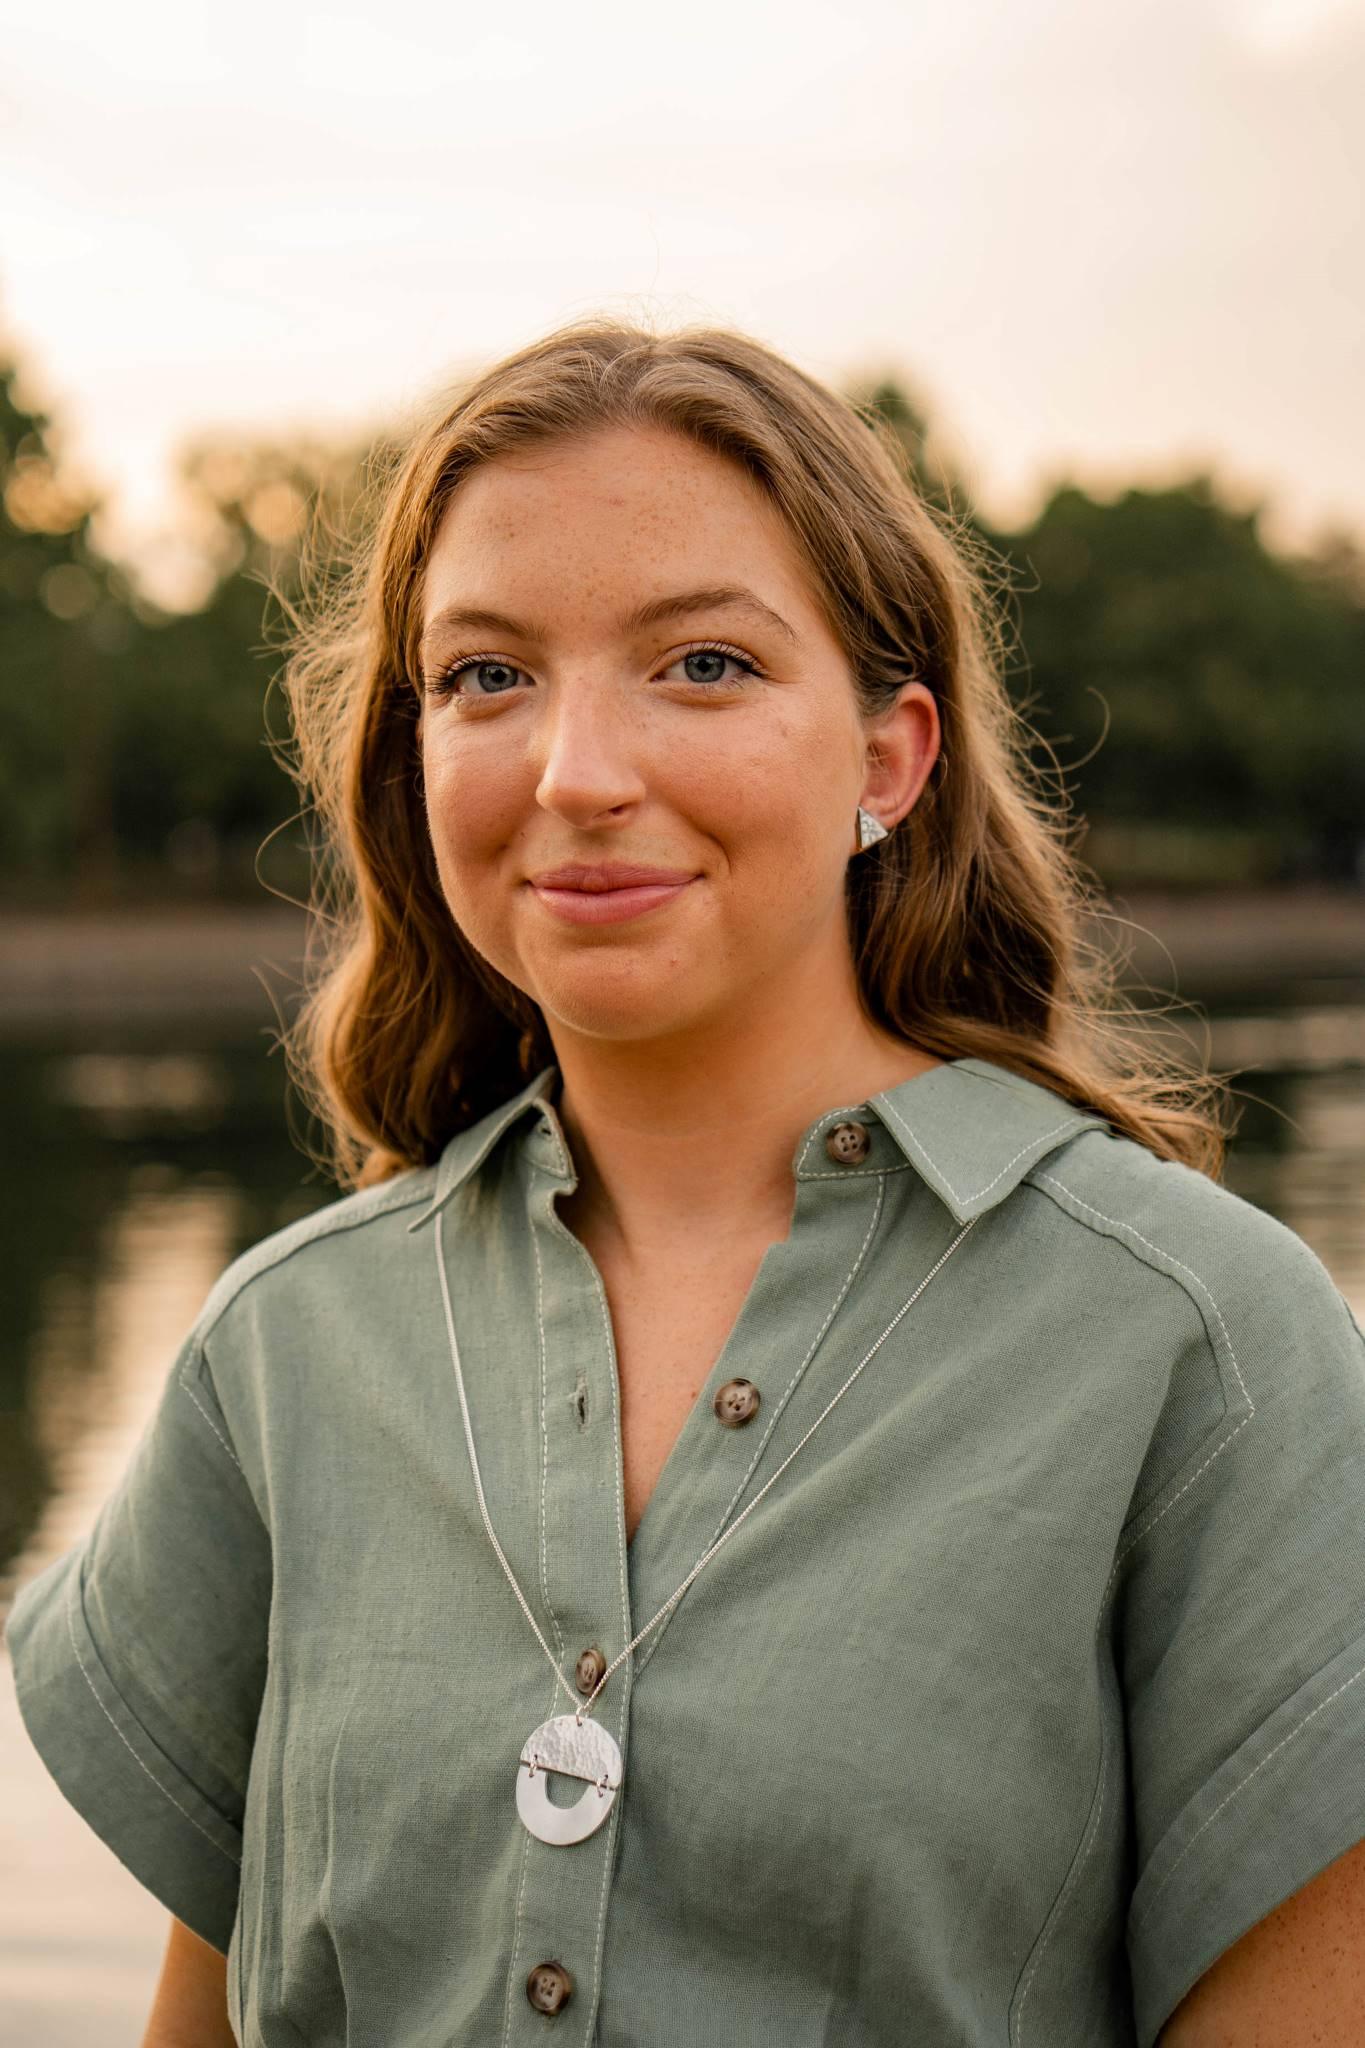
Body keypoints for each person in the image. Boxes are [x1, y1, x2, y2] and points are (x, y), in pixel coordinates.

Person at [7, 316, 1365, 2048]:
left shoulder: (1203, 1344)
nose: (578, 773)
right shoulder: (282, 1351)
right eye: (488, 676)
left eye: (702, 665)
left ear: (889, 755)